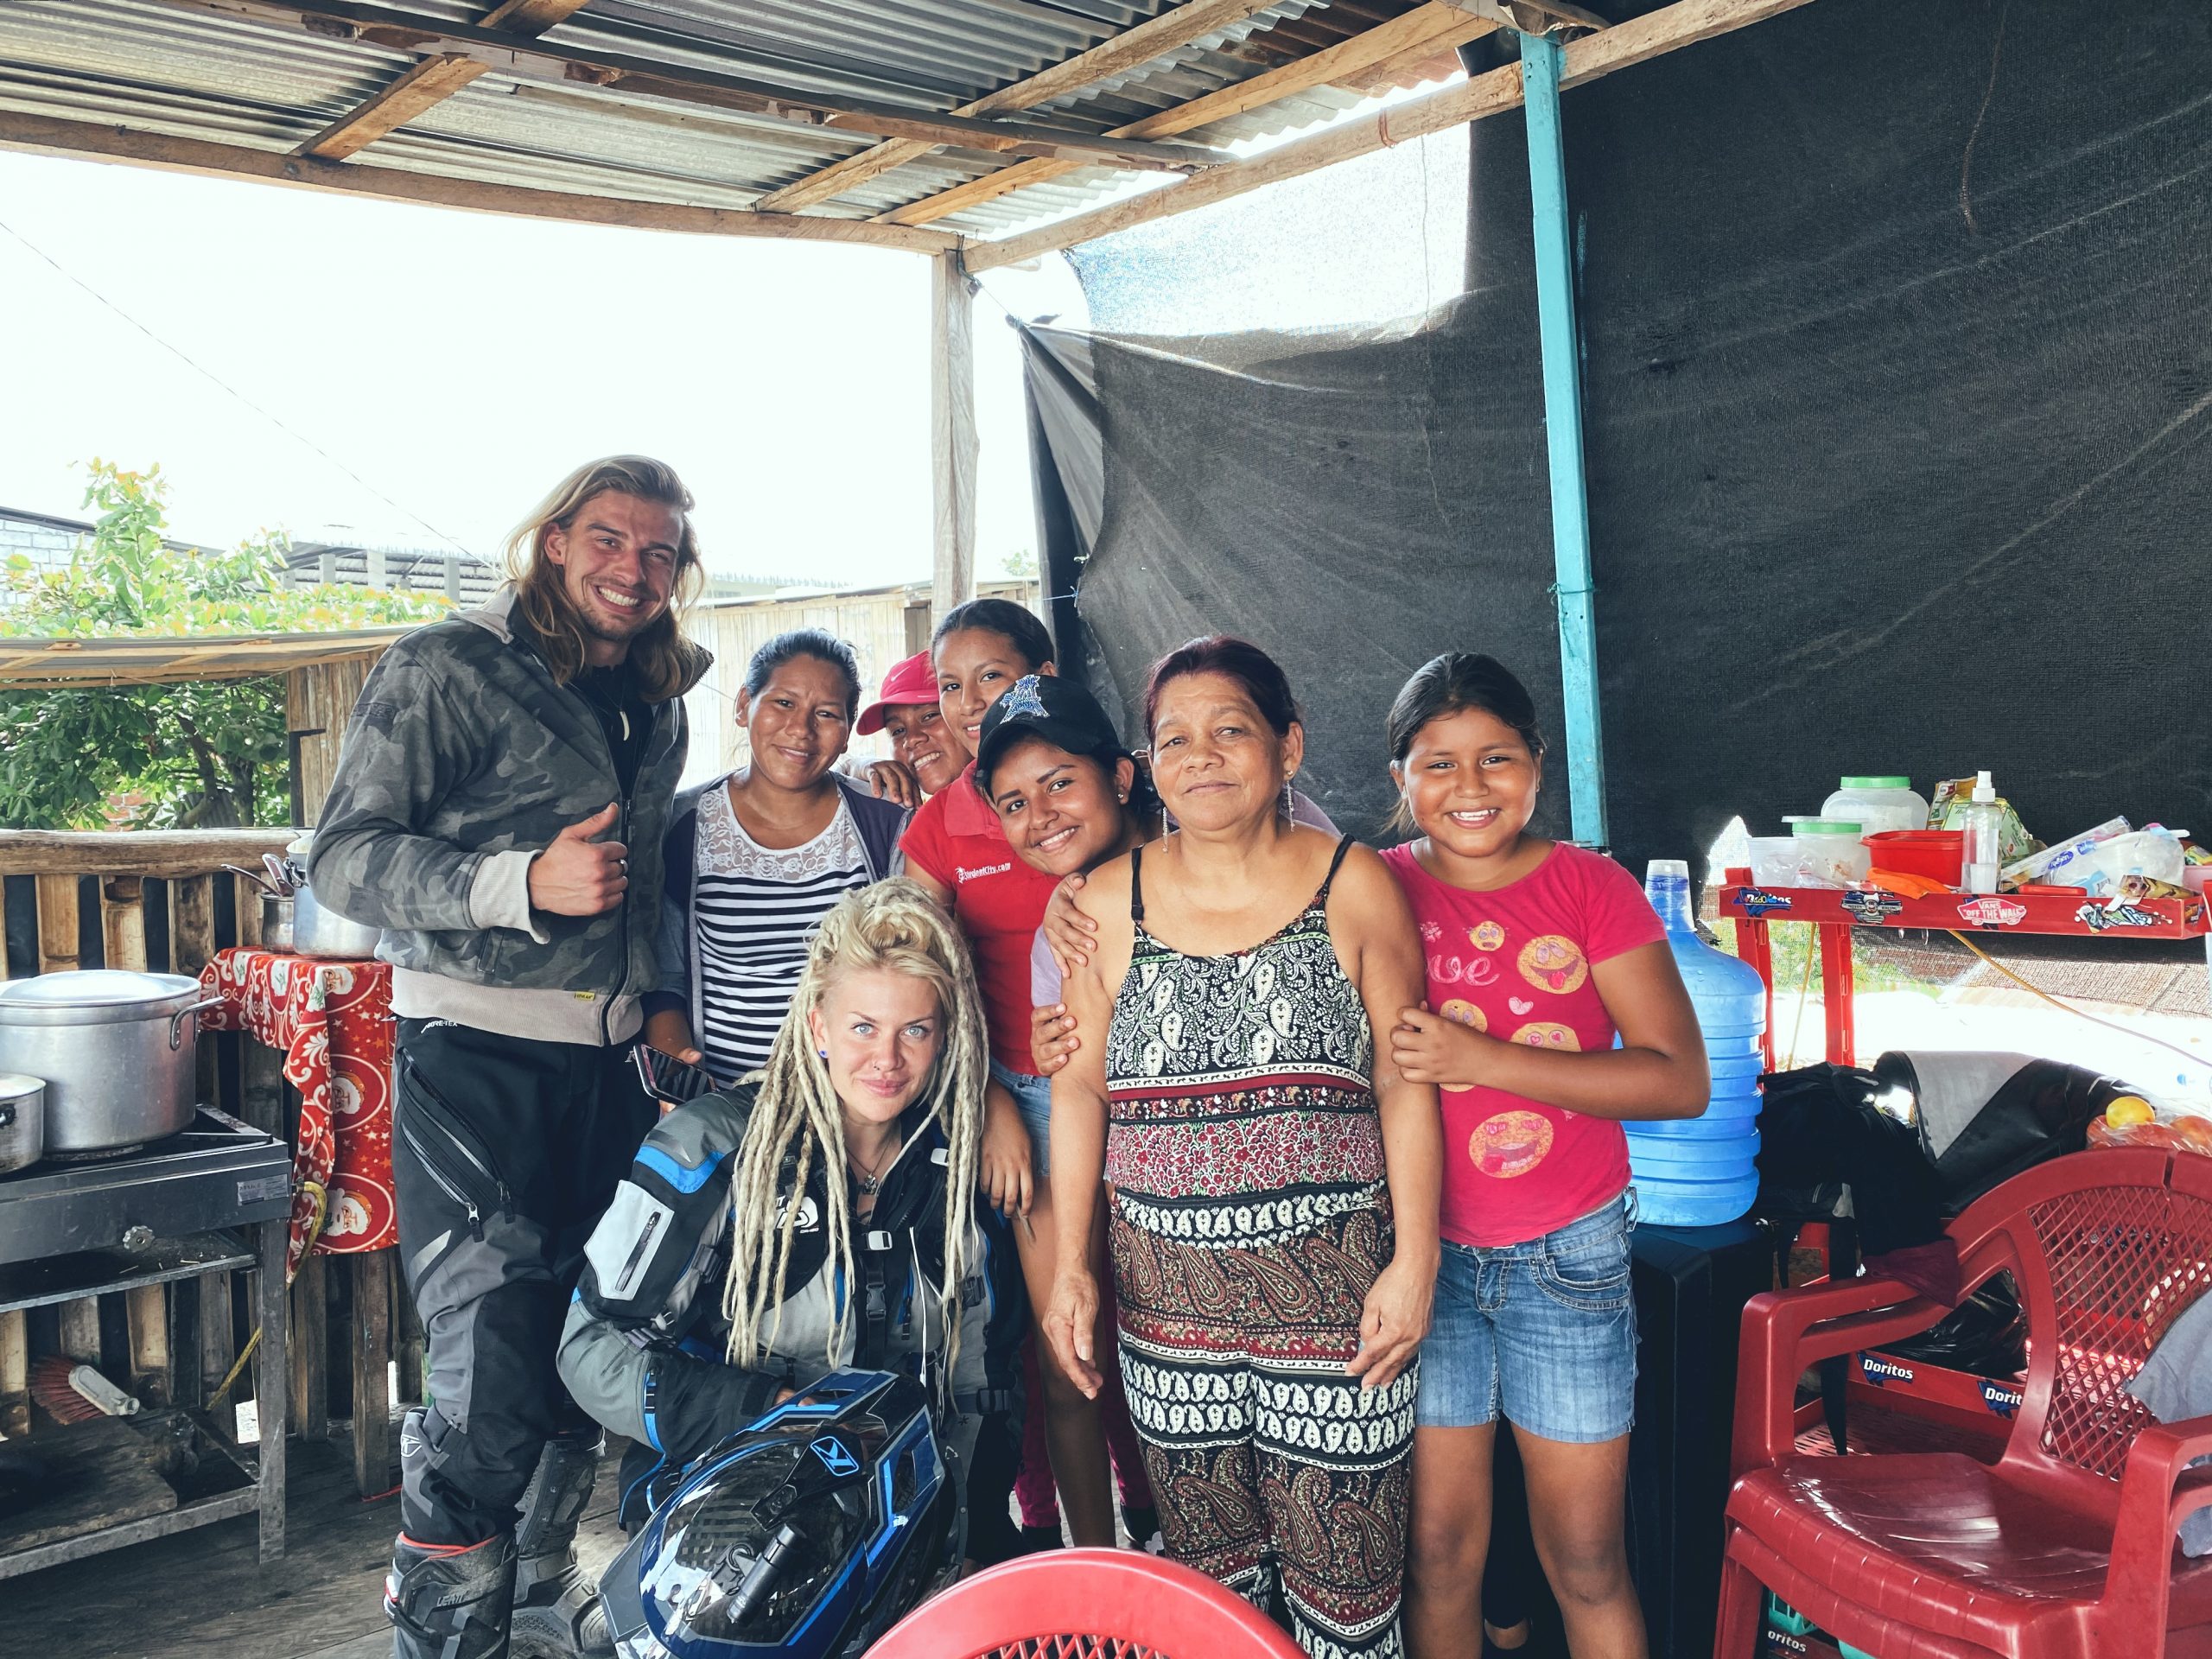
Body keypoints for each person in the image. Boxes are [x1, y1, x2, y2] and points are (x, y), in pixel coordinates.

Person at [308, 456, 710, 1659]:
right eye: (606, 539)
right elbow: (343, 860)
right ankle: (444, 1639)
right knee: (488, 1386)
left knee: (594, 1345)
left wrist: (659, 1002)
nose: (630, 569)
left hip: (615, 1071)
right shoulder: (450, 664)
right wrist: (514, 883)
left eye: (656, 551)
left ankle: (537, 1595)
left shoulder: (661, 693)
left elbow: (652, 874)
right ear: (552, 542)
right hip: (473, 1056)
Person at [1042, 636, 1442, 1659]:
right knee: (1211, 1596)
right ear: (1146, 767)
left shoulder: (1353, 887)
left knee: (1348, 1595)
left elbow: (1404, 1077)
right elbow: (1080, 1086)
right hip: (1166, 1315)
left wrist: (1415, 1260)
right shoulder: (1100, 905)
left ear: (1288, 747)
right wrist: (1071, 1272)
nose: (1203, 755)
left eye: (1231, 730)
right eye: (1174, 738)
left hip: (1338, 1310)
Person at [1376, 653, 1708, 1659]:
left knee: (1587, 1560)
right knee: (1436, 1556)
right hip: (1419, 1266)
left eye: (1496, 759)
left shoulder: (1589, 887)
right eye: (1437, 764)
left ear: (1537, 765)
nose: (1469, 789)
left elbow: (1676, 1079)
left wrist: (1481, 1058)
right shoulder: (1367, 889)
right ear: (1400, 777)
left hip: (1565, 1258)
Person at [557, 880, 1023, 1561]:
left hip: (906, 1517)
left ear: (945, 1035)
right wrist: (766, 1408)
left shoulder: (962, 1164)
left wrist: (973, 1534)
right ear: (818, 1026)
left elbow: (982, 1381)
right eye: (863, 1027)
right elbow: (588, 1347)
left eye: (914, 1030)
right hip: (726, 1502)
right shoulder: (710, 1148)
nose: (887, 1059)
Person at [970, 672, 1169, 1553]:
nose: (1040, 815)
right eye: (1013, 801)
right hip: (1075, 1124)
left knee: (1169, 1364)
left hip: (1207, 1161)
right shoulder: (1072, 921)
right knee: (1069, 1363)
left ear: (1121, 776)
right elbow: (1074, 1074)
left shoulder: (1254, 841)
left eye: (1059, 782)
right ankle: (1096, 1579)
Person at [642, 628, 910, 1084]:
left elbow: (912, 968)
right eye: (783, 703)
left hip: (856, 1101)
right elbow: (663, 976)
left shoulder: (884, 824)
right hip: (724, 1102)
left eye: (826, 713)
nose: (801, 730)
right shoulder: (683, 825)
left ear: (847, 732)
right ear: (744, 705)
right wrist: (681, 1081)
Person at [859, 647, 972, 799]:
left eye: (929, 716)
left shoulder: (1008, 797)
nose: (911, 740)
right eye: (897, 731)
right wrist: (859, 768)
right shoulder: (911, 816)